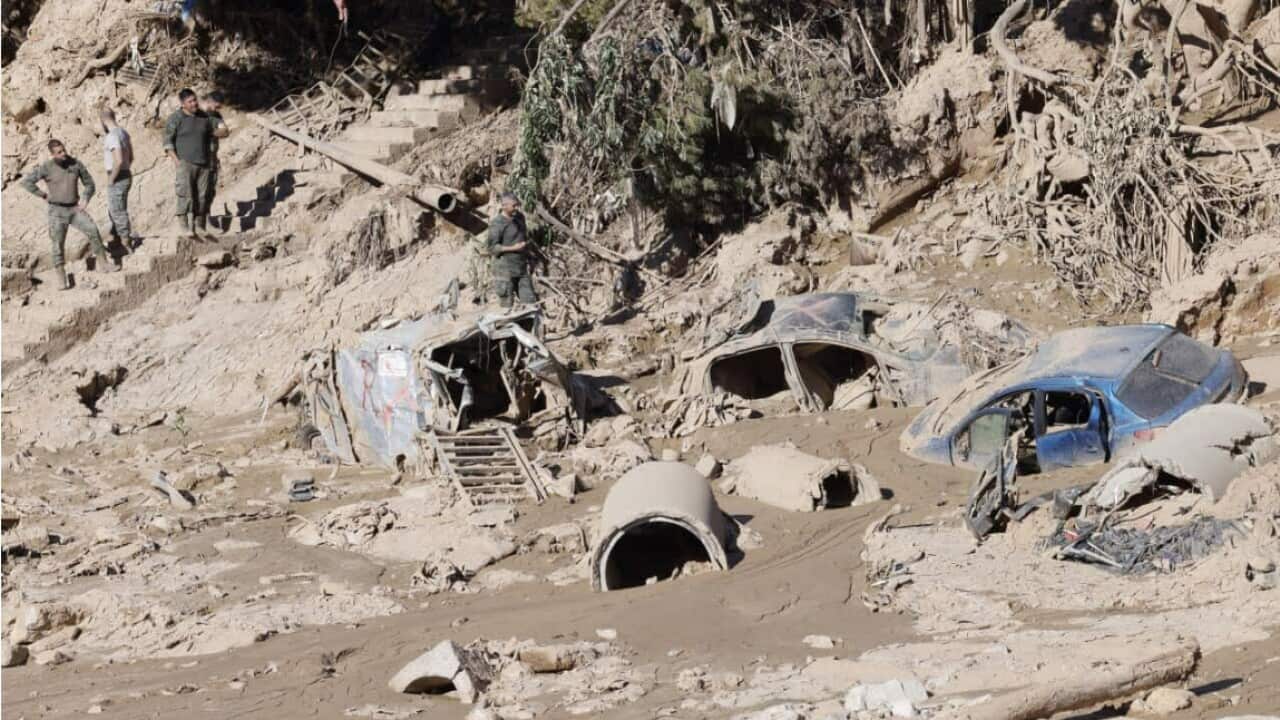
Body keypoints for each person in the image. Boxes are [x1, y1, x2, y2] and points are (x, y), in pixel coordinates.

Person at [20, 139, 116, 290]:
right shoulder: (46, 167)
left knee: (92, 230)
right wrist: (43, 195)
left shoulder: (75, 164)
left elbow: (90, 183)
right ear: (52, 154)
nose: (63, 154)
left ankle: (103, 264)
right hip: (57, 212)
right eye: (59, 152)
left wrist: (85, 198)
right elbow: (27, 182)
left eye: (63, 150)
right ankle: (61, 278)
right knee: (57, 245)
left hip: (75, 209)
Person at [162, 87, 226, 238]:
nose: (194, 104)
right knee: (185, 194)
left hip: (204, 163)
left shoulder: (204, 116)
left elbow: (223, 129)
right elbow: (167, 141)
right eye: (190, 102)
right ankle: (184, 226)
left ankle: (200, 226)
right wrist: (177, 161)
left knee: (203, 196)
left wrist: (218, 131)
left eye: (194, 100)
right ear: (183, 104)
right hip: (185, 162)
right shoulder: (175, 118)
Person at [486, 192, 537, 309]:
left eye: (517, 205)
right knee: (507, 306)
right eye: (513, 206)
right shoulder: (497, 223)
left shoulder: (520, 217)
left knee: (530, 302)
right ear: (504, 206)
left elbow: (524, 238)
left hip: (521, 267)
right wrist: (513, 248)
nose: (516, 208)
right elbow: (492, 248)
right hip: (505, 270)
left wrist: (530, 256)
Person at [100, 108, 138, 251]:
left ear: (103, 120)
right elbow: (131, 157)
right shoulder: (124, 133)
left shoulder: (112, 136)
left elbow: (119, 160)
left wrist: (112, 178)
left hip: (117, 176)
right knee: (116, 209)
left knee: (118, 211)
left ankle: (126, 244)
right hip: (126, 174)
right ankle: (117, 239)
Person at [199, 90, 227, 219]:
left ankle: (206, 218)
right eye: (217, 105)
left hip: (211, 159)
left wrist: (210, 132)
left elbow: (225, 131)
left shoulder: (217, 116)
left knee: (210, 190)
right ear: (210, 101)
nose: (218, 109)